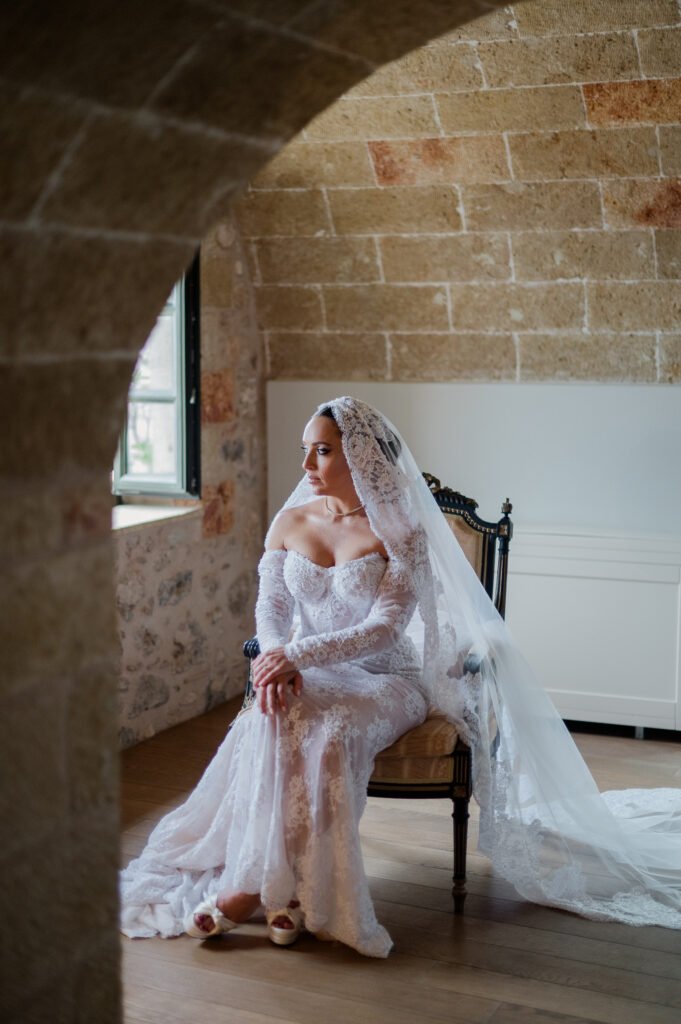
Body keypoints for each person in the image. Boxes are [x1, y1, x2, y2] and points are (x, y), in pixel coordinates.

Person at [120, 397, 681, 957]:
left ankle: (265, 891)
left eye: (322, 451)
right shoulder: (290, 521)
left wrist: (297, 656)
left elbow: (385, 628)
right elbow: (271, 609)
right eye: (305, 450)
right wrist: (274, 659)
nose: (307, 464)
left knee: (332, 734)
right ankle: (276, 887)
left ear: (360, 455)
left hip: (387, 679)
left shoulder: (401, 530)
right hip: (308, 672)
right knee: (268, 716)